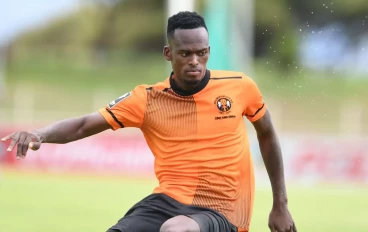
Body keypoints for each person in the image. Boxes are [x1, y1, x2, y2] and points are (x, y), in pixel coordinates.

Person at [1, 11, 297, 232]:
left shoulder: (240, 87)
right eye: (185, 53)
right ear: (169, 54)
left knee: (175, 230)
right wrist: (39, 134)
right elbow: (83, 124)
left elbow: (267, 135)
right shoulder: (147, 99)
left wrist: (280, 205)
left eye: (202, 53)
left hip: (222, 209)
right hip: (166, 200)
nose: (195, 60)